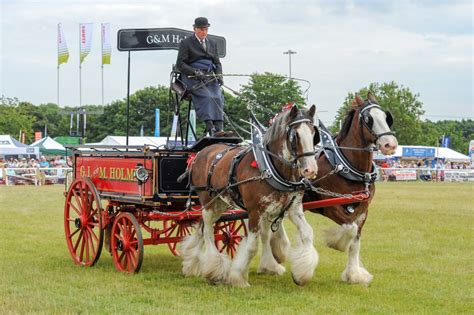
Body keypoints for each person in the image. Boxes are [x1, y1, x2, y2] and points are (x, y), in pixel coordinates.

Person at [176, 17, 229, 137]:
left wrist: (219, 75)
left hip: (209, 76)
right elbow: (180, 64)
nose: (204, 32)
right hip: (192, 77)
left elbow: (217, 63)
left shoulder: (212, 43)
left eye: (206, 29)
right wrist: (194, 72)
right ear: (194, 29)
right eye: (201, 29)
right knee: (207, 96)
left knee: (218, 96)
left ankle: (219, 128)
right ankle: (210, 126)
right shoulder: (186, 43)